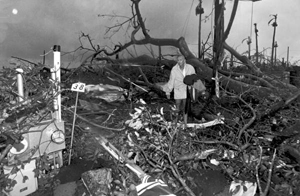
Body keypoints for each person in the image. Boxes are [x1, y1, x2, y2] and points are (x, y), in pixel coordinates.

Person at [164, 55, 195, 127]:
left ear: (184, 60)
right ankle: (175, 123)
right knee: (177, 107)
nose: (179, 61)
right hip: (178, 90)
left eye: (181, 60)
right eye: (178, 60)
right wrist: (168, 91)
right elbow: (171, 80)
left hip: (187, 90)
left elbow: (194, 79)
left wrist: (195, 91)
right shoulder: (174, 69)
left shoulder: (190, 68)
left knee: (185, 108)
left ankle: (185, 123)